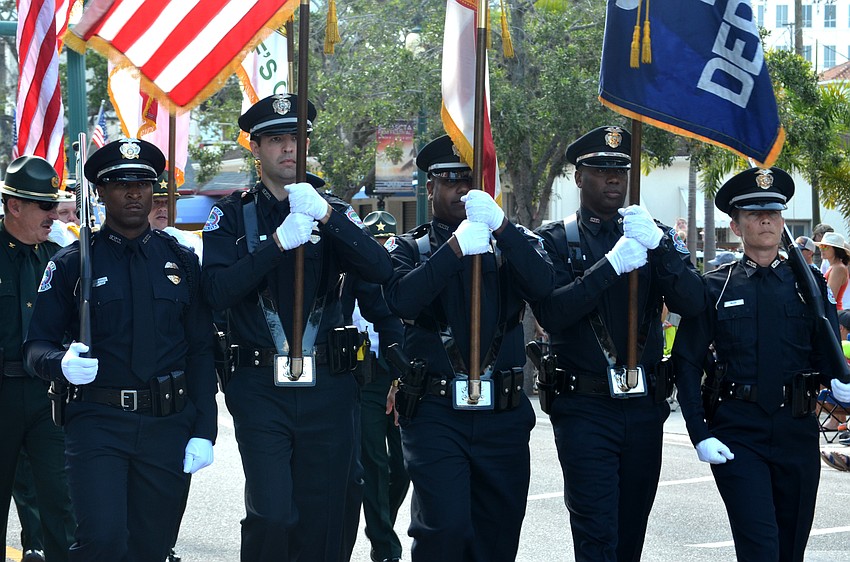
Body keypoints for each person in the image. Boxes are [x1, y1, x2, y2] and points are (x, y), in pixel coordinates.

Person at [200, 93, 393, 561]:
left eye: (297, 138)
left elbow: (381, 269)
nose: (289, 148)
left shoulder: (334, 210)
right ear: (256, 148)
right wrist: (275, 247)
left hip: (328, 384)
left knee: (326, 514)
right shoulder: (231, 216)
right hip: (259, 384)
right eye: (277, 140)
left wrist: (327, 216)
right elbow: (217, 293)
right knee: (272, 513)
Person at [24, 138, 218, 562]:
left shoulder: (182, 262)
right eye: (120, 184)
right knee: (103, 541)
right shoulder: (74, 262)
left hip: (168, 423)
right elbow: (35, 345)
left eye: (143, 184)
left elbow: (202, 350)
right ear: (101, 192)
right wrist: (61, 364)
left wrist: (205, 429)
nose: (134, 193)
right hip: (98, 422)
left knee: (152, 547)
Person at [530, 126, 705, 562]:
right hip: (585, 407)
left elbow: (695, 302)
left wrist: (661, 247)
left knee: (631, 533)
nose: (613, 178)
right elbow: (552, 313)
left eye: (620, 170)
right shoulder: (554, 240)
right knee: (597, 533)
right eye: (601, 169)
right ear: (578, 177)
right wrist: (611, 266)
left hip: (644, 409)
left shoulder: (653, 234)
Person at [384, 134, 554, 561]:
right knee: (444, 530)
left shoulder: (513, 241)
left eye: (471, 180)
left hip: (503, 414)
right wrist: (454, 250)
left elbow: (546, 288)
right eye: (451, 180)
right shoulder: (410, 247)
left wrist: (502, 229)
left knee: (497, 537)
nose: (463, 189)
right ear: (430, 188)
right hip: (437, 414)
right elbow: (402, 300)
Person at [672, 166, 850, 561]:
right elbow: (686, 363)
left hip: (797, 429)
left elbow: (822, 349)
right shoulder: (715, 286)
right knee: (760, 548)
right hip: (739, 430)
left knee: (790, 550)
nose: (766, 219)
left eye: (773, 211)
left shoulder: (808, 285)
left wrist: (839, 378)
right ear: (736, 226)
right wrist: (699, 434)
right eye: (754, 213)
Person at [0, 155, 76, 562]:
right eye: (44, 206)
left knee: (62, 503)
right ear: (14, 205)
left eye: (54, 205)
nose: (53, 213)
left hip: (49, 396)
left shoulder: (58, 258)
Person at [344, 209, 409, 562]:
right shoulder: (358, 273)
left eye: (388, 239)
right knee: (374, 462)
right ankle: (384, 547)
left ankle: (383, 522)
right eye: (376, 239)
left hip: (395, 375)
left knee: (403, 467)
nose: (383, 245)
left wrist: (398, 380)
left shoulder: (400, 271)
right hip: (364, 375)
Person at [818, 232, 849, 311]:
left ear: (835, 249)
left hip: (834, 315)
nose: (821, 249)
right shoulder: (834, 267)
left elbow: (830, 297)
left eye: (825, 246)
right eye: (821, 246)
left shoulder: (838, 268)